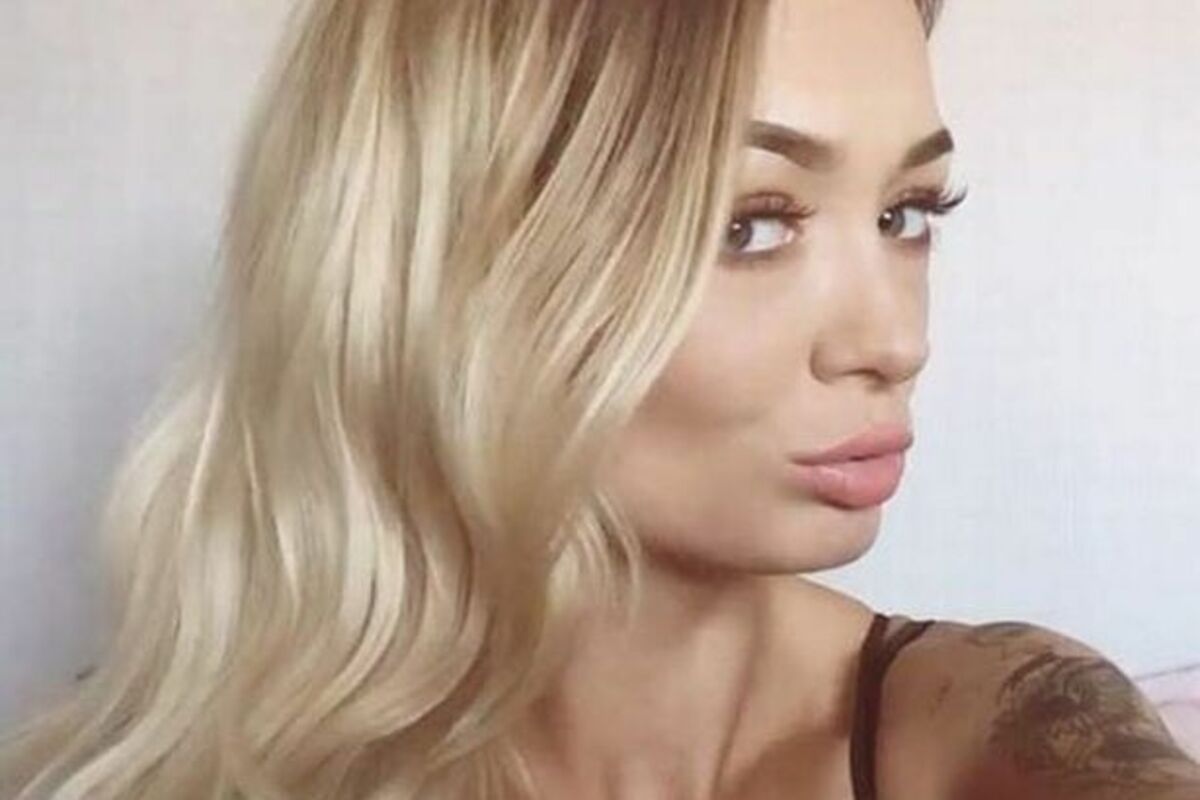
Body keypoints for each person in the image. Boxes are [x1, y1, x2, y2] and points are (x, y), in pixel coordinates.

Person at [3, 0, 1199, 798]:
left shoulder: (987, 727)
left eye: (906, 213)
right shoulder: (186, 761)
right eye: (752, 224)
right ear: (456, 267)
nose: (895, 339)